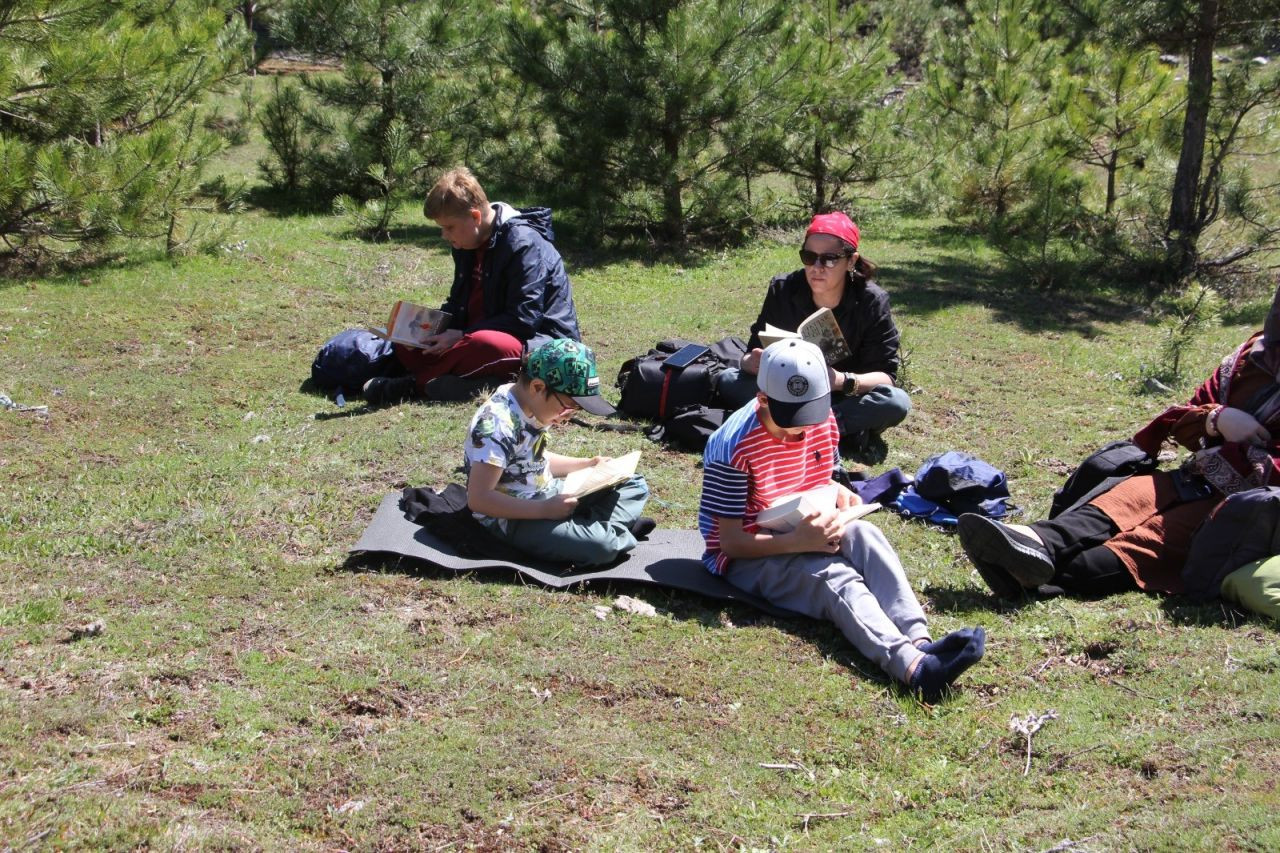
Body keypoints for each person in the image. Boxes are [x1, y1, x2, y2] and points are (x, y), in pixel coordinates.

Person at [699, 339, 985, 702]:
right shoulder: (732, 447)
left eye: (808, 416)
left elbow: (820, 474)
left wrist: (837, 491)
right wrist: (799, 543)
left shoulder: (819, 417)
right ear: (762, 399)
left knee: (866, 534)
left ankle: (920, 640)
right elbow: (729, 543)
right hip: (746, 556)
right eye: (789, 421)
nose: (800, 431)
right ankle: (914, 668)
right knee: (834, 578)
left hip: (802, 525)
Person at [958, 282, 1280, 600]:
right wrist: (1217, 419)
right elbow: (1184, 417)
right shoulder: (1251, 356)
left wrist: (1250, 455)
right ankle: (1027, 542)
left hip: (1241, 510)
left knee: (1110, 558)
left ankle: (1023, 576)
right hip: (1191, 478)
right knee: (1107, 509)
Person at [364, 166, 582, 405]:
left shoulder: (523, 244)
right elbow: (459, 304)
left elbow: (524, 319)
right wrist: (425, 327)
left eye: (449, 227)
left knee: (486, 345)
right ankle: (483, 384)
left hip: (538, 345)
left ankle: (414, 386)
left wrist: (462, 334)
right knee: (409, 341)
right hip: (473, 335)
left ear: (476, 216)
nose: (445, 236)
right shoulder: (466, 244)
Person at [716, 211, 911, 458]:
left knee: (895, 402)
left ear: (851, 261)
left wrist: (840, 380)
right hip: (786, 389)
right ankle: (829, 429)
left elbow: (886, 378)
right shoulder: (783, 288)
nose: (817, 268)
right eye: (809, 257)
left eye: (829, 259)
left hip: (840, 396)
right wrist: (753, 362)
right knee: (728, 380)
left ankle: (807, 426)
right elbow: (748, 355)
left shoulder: (871, 301)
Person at [463, 338, 653, 568]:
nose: (568, 416)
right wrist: (544, 509)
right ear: (538, 387)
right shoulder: (497, 424)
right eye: (568, 406)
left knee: (634, 483)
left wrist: (587, 463)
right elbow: (479, 499)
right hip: (512, 517)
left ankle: (593, 528)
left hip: (548, 494)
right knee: (602, 548)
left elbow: (532, 460)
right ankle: (601, 531)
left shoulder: (531, 404)